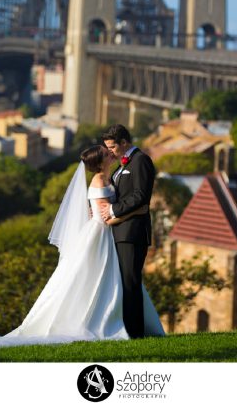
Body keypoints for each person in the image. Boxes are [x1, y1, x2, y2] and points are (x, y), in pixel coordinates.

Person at [0, 145, 163, 349]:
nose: (110, 154)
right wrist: (132, 214)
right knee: (97, 276)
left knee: (106, 277)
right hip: (101, 233)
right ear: (100, 162)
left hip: (103, 233)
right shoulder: (99, 180)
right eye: (106, 154)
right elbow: (105, 217)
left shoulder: (106, 178)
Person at [100, 124, 155, 339]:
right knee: (123, 282)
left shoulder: (141, 161)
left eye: (112, 147)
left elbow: (141, 195)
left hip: (132, 233)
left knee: (130, 283)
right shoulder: (121, 166)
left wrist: (112, 209)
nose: (110, 151)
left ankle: (135, 333)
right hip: (119, 231)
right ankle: (125, 328)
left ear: (124, 142)